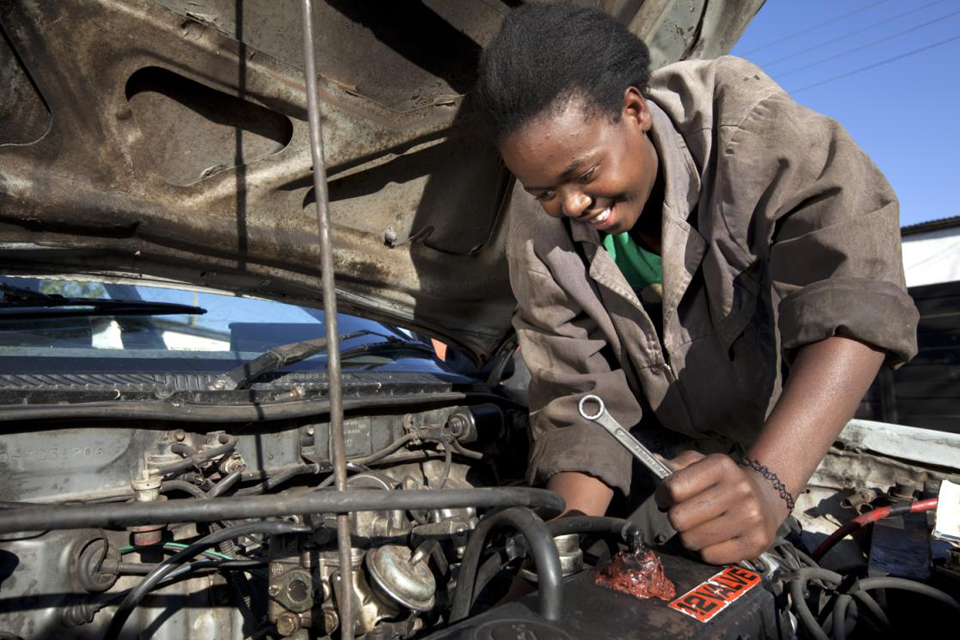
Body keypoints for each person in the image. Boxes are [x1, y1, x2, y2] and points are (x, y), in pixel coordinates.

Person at [474, 3, 918, 564]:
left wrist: (769, 484)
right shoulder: (540, 227)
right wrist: (556, 551)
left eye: (584, 175)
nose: (571, 205)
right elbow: (577, 392)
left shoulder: (752, 130)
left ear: (634, 109)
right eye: (543, 191)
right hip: (655, 447)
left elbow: (854, 294)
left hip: (779, 442)